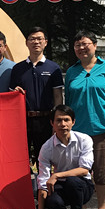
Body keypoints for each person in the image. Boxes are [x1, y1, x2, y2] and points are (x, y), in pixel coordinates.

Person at [64, 31, 105, 209]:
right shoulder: (72, 72)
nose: (81, 48)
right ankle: (81, 207)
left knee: (103, 172)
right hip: (78, 131)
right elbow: (69, 102)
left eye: (85, 44)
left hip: (103, 129)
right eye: (77, 45)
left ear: (95, 45)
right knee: (80, 172)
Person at [35, 105, 94, 209]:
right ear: (52, 123)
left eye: (66, 120)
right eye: (58, 120)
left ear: (73, 122)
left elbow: (84, 170)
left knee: (73, 181)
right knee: (50, 199)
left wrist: (57, 175)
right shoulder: (46, 148)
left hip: (83, 186)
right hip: (61, 186)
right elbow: (43, 181)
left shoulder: (84, 140)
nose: (63, 124)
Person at [10, 27, 64, 165]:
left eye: (39, 39)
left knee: (45, 161)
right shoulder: (17, 69)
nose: (36, 42)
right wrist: (14, 92)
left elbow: (58, 97)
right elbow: (11, 96)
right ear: (26, 43)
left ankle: (44, 180)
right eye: (32, 39)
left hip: (45, 121)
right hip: (23, 121)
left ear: (45, 42)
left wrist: (56, 121)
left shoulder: (54, 68)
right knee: (20, 160)